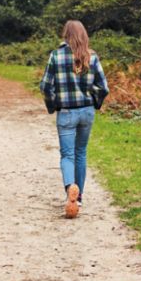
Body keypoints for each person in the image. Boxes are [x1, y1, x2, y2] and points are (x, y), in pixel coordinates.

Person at [39, 20, 109, 218]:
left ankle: (70, 188)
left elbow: (45, 86)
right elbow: (103, 87)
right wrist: (94, 100)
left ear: (65, 35)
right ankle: (78, 199)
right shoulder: (92, 57)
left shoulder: (56, 56)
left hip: (67, 112)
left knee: (67, 155)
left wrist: (53, 104)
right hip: (86, 111)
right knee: (80, 153)